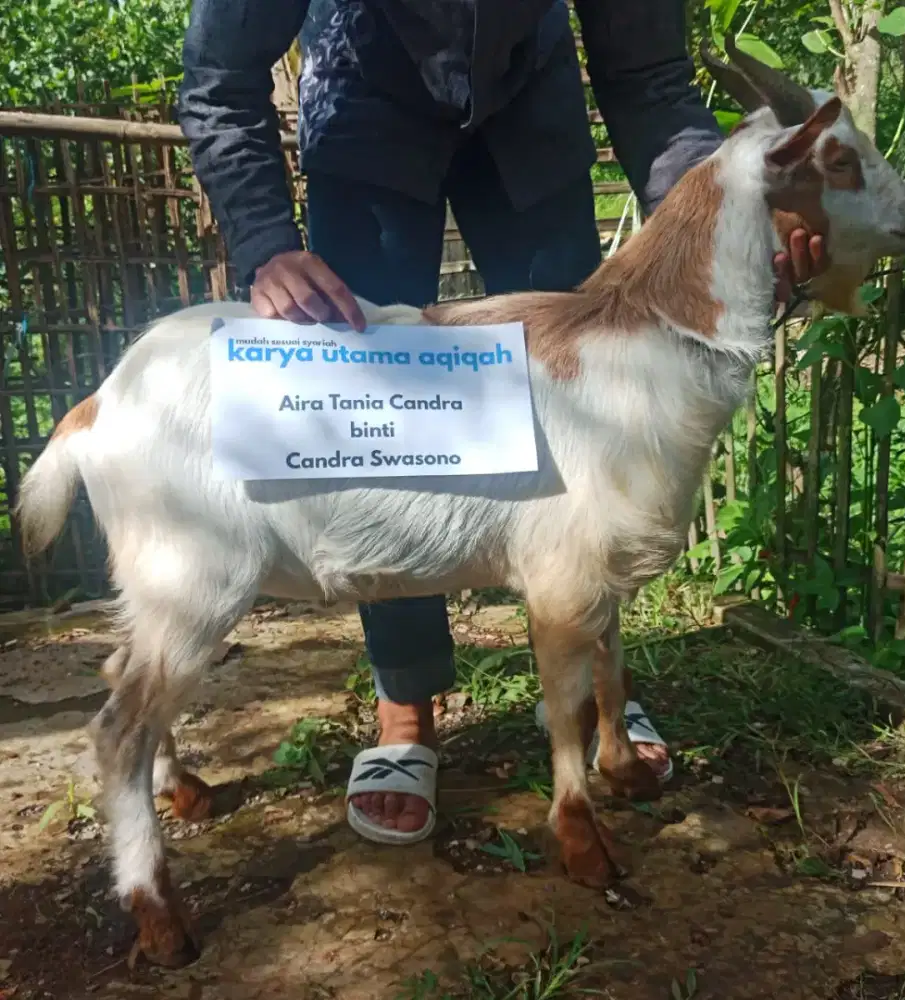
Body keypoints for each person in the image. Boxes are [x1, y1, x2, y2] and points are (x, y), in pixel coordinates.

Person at [179, 0, 825, 845]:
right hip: (366, 116)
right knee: (386, 405)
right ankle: (407, 702)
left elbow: (650, 75)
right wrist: (265, 239)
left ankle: (603, 694)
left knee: (581, 414)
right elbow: (220, 75)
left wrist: (735, 224)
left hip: (530, 125)